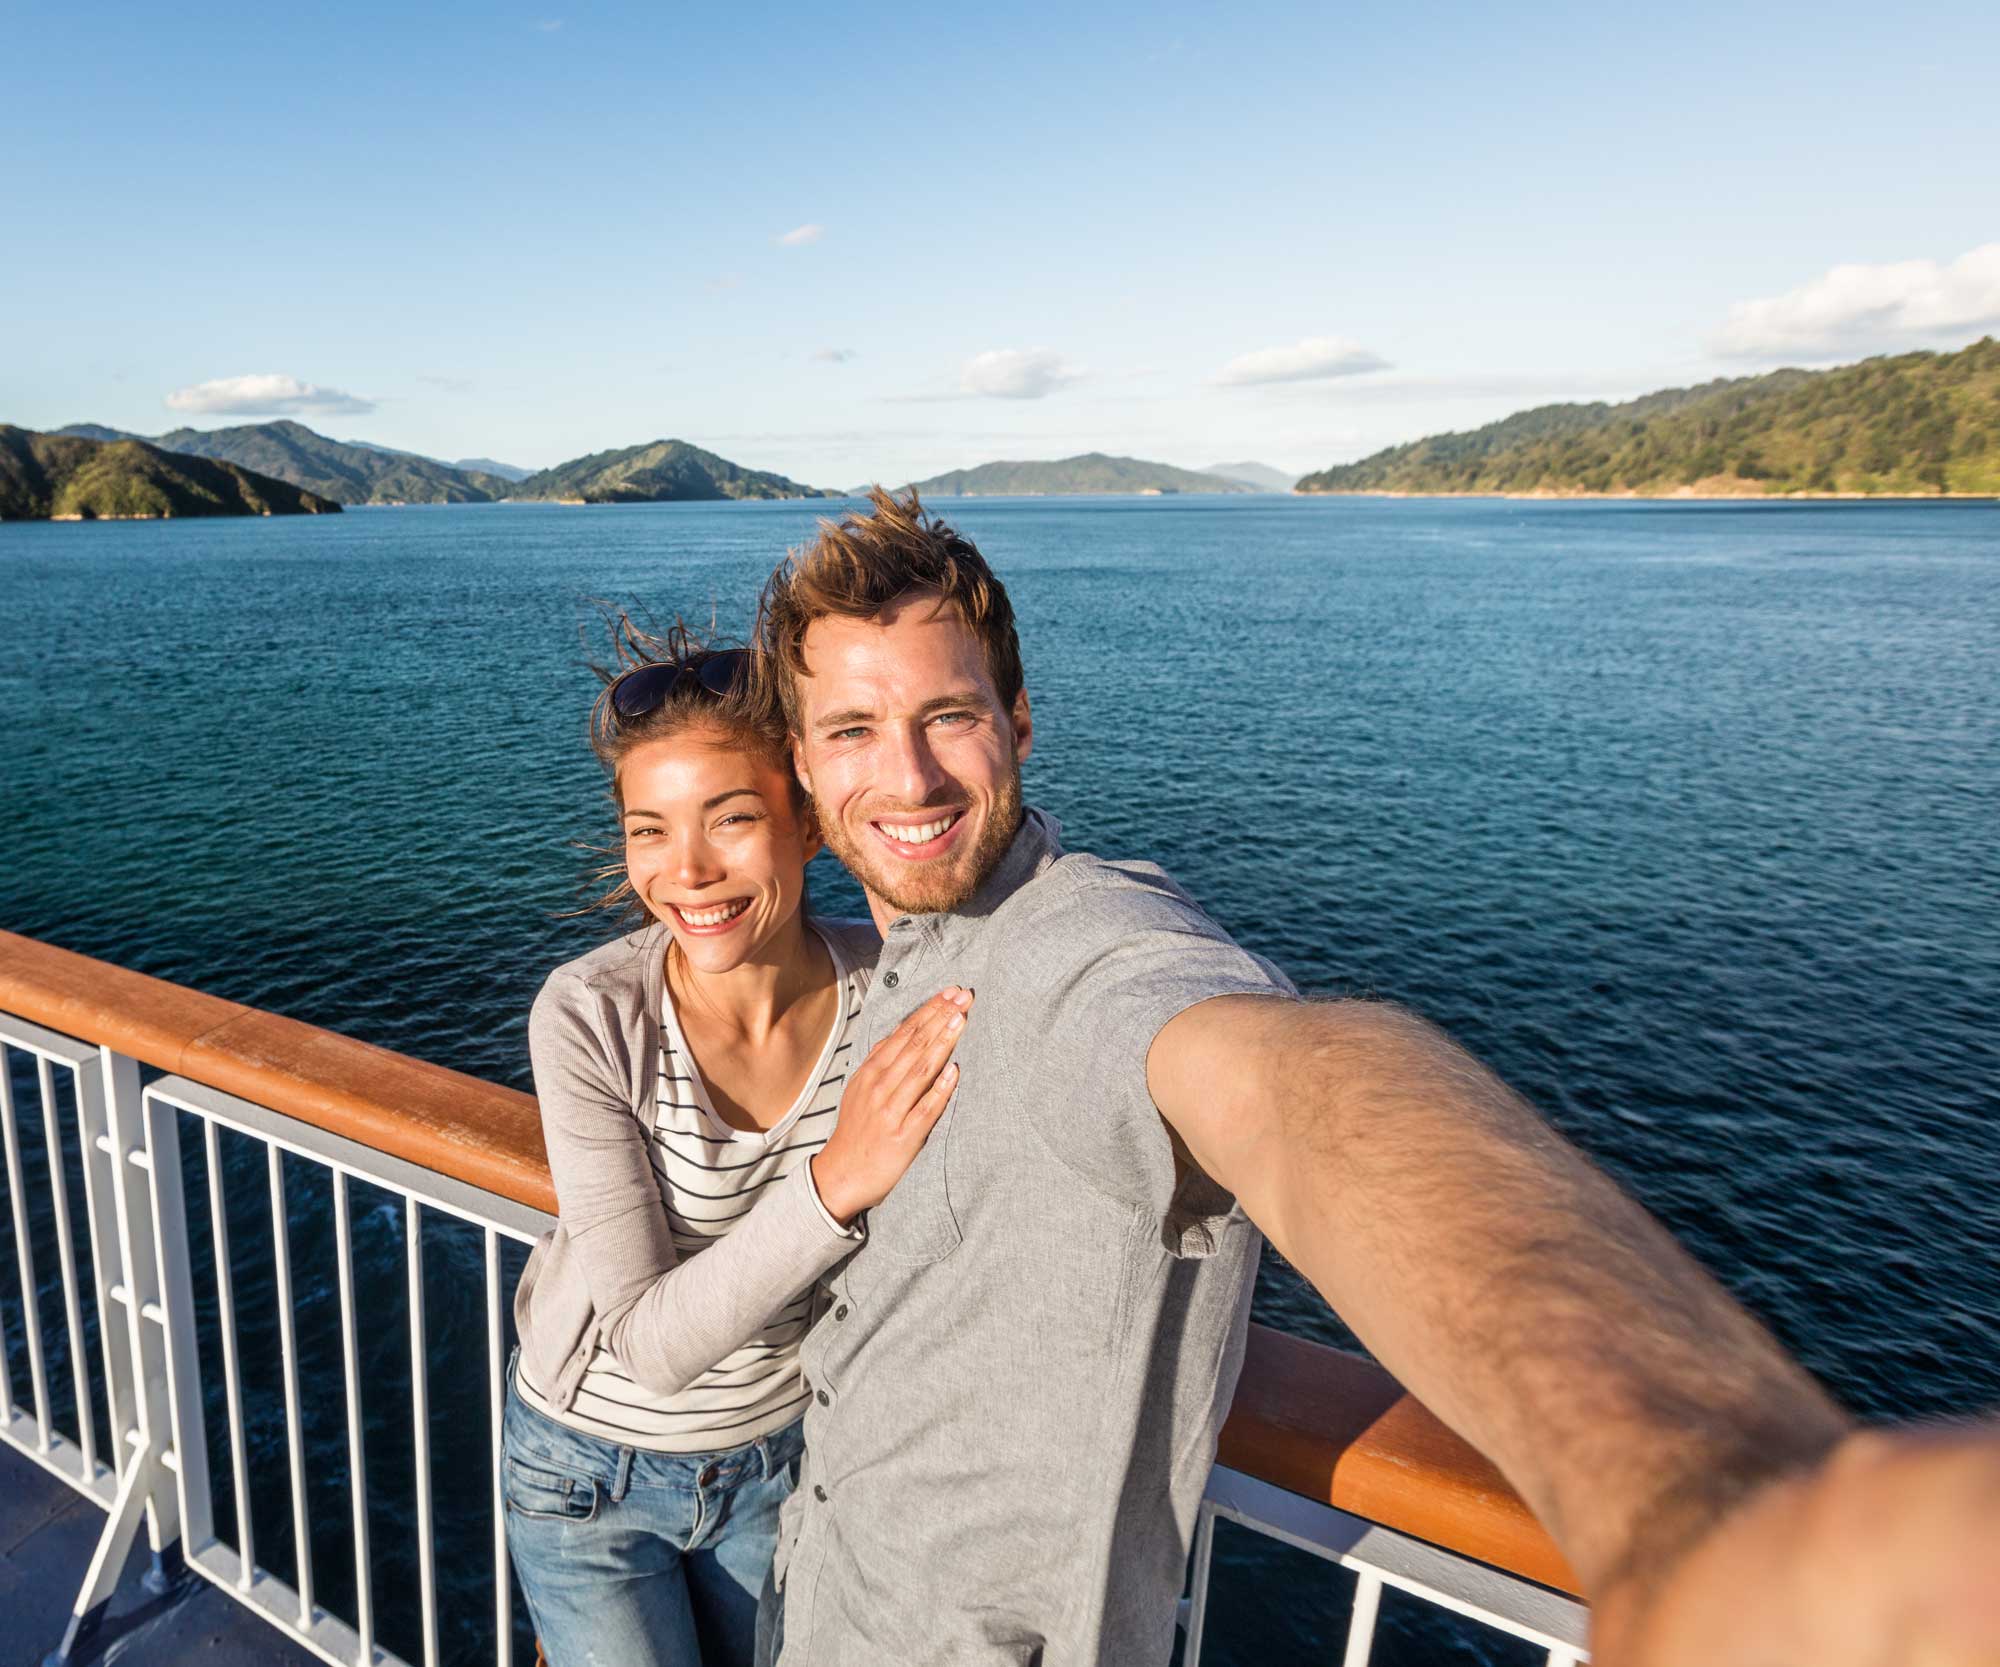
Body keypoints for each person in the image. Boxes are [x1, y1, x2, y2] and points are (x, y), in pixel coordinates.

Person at [754, 489, 2000, 1667]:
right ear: (804, 768)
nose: (908, 777)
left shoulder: (1078, 952)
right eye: (853, 730)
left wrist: (1697, 1493)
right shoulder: (899, 960)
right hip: (818, 1586)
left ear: (1018, 723)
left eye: (948, 715)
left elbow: (1291, 1094)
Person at [505, 622, 969, 1667]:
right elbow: (646, 1345)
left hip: (784, 1460)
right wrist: (836, 1180)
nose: (688, 870)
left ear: (808, 821)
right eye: (650, 830)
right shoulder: (591, 1012)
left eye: (732, 818)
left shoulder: (889, 995)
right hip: (590, 1472)